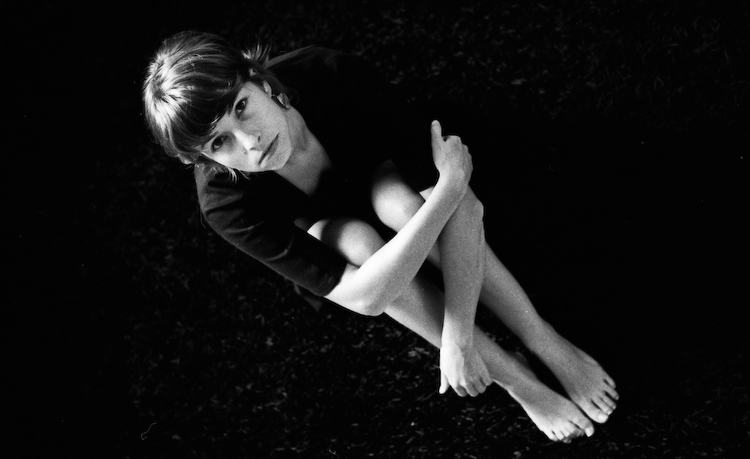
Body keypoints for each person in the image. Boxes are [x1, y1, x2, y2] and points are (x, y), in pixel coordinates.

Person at [142, 31, 618, 443]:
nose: (250, 142)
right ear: (203, 160)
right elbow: (366, 298)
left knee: (403, 207)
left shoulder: (327, 73)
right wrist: (450, 187)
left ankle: (543, 338)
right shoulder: (224, 203)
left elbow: (467, 211)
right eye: (219, 142)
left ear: (260, 81)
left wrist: (458, 338)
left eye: (241, 107)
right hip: (331, 233)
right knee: (363, 248)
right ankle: (518, 381)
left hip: (377, 175)